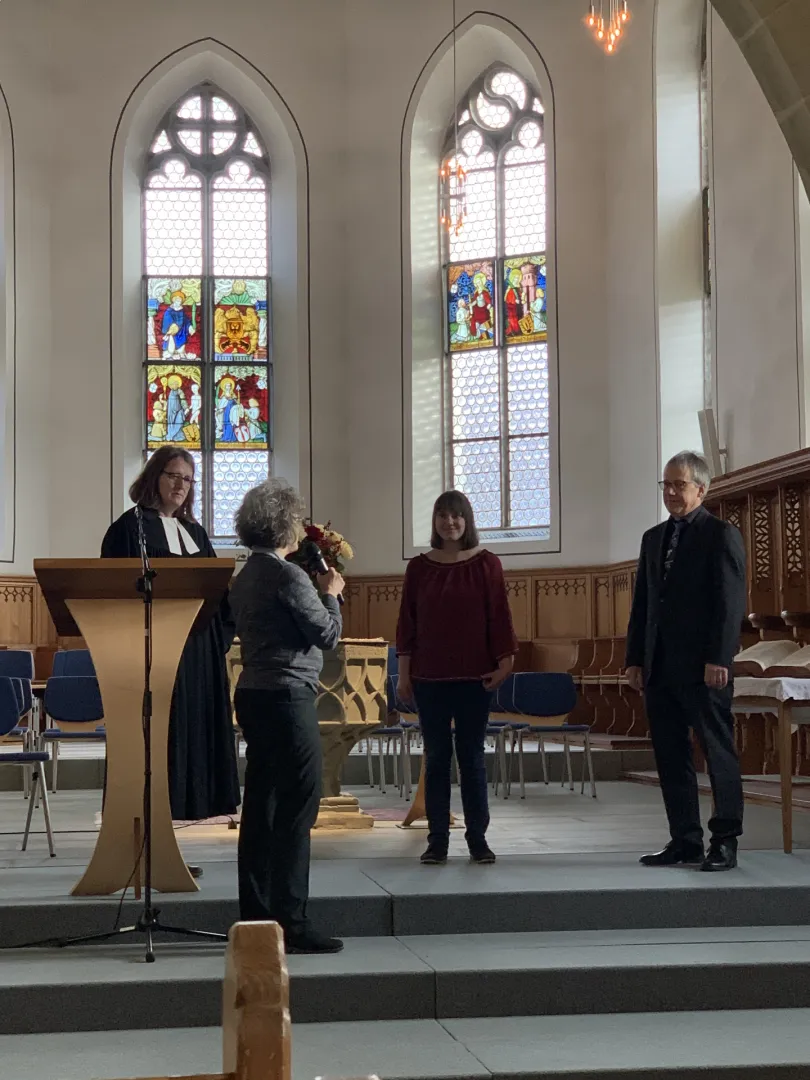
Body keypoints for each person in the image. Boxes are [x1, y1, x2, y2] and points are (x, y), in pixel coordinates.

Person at [101, 447, 240, 842]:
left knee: (189, 739)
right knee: (154, 742)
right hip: (150, 655)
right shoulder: (129, 529)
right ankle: (143, 839)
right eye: (173, 476)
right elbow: (115, 591)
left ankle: (169, 835)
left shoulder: (195, 534)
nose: (181, 485)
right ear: (153, 477)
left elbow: (217, 597)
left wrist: (217, 641)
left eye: (188, 479)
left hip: (195, 657)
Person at [229, 478, 344, 954]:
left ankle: (255, 917)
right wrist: (332, 591)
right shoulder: (287, 576)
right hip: (287, 696)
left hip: (253, 692)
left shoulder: (244, 575)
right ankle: (292, 921)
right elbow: (327, 635)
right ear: (283, 524)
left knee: (261, 805)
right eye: (295, 520)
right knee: (298, 806)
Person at [625, 451, 746, 872]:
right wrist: (635, 659)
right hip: (659, 666)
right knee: (670, 755)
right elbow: (643, 605)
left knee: (717, 752)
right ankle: (685, 839)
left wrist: (719, 658)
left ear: (702, 488)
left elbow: (730, 605)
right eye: (667, 485)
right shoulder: (653, 538)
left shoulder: (721, 534)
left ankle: (726, 840)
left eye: (680, 485)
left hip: (703, 668)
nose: (672, 492)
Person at [396, 490, 518, 866]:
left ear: (467, 520)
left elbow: (499, 616)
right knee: (435, 761)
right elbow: (407, 624)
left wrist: (506, 663)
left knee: (472, 760)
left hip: (474, 679)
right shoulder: (419, 568)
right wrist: (403, 675)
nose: (450, 523)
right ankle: (437, 841)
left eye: (456, 516)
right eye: (443, 516)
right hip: (429, 679)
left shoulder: (487, 564)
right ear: (434, 522)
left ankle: (478, 839)